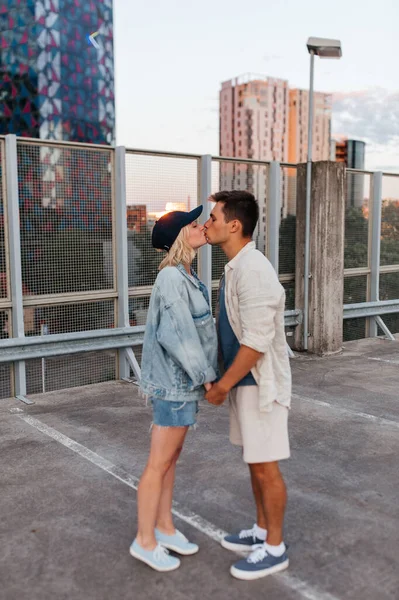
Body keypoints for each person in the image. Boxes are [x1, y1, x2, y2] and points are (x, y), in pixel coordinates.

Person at [204, 190, 292, 581]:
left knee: (266, 467)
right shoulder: (236, 265)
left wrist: (223, 385)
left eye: (213, 218)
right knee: (255, 463)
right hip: (245, 383)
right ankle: (260, 530)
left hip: (260, 384)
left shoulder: (254, 270)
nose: (208, 224)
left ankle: (274, 547)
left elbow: (256, 341)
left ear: (234, 225)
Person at [130, 206, 218, 572]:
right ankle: (144, 540)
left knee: (170, 461)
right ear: (181, 235)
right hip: (174, 386)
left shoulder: (187, 275)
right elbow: (177, 335)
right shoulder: (171, 279)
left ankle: (164, 528)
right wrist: (207, 376)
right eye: (194, 224)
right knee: (158, 464)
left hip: (183, 386)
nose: (201, 227)